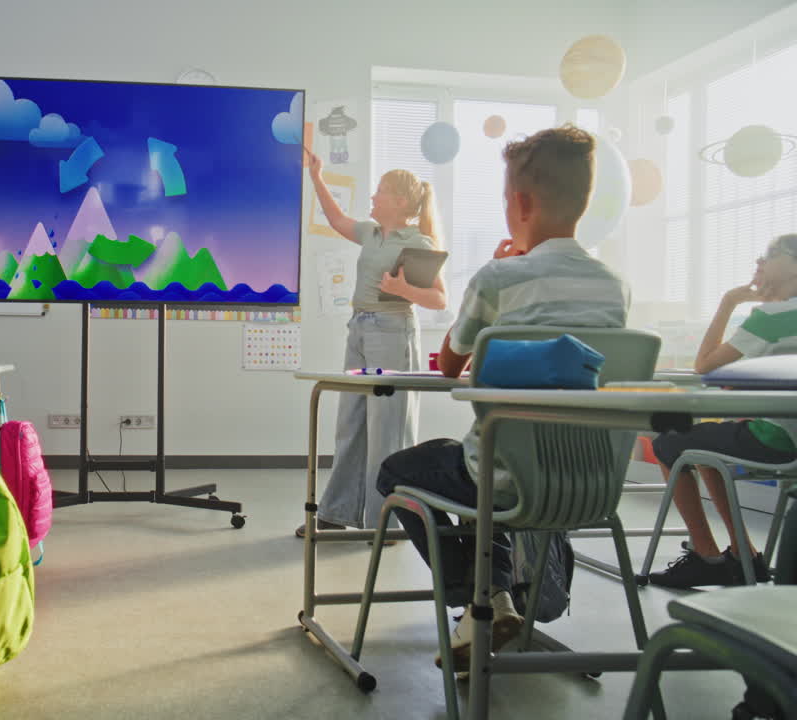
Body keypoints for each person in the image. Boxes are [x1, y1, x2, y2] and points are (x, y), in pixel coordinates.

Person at [376, 125, 629, 672]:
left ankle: (482, 602)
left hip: (502, 474)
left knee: (399, 471)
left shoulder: (498, 277)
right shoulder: (614, 285)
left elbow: (450, 365)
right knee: (486, 478)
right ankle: (495, 599)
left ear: (521, 203)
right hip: (587, 478)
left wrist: (497, 272)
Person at [298, 149, 447, 540]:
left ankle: (386, 524)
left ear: (399, 201)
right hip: (360, 329)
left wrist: (404, 289)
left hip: (392, 332)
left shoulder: (418, 241)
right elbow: (336, 219)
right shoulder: (371, 232)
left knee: (387, 430)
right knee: (350, 423)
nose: (373, 197)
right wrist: (317, 177)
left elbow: (439, 299)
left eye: (380, 191)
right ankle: (336, 512)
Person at [647, 233, 797, 589]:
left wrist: (729, 302)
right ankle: (744, 553)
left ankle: (707, 556)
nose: (759, 261)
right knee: (704, 444)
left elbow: (703, 365)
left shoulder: (772, 317)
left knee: (668, 443)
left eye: (771, 254)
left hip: (779, 440)